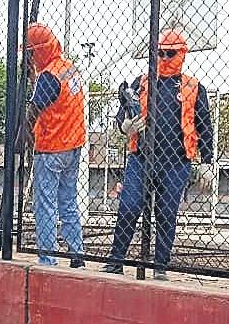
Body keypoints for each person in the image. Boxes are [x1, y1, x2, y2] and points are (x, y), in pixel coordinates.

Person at [101, 29, 214, 280]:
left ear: (181, 53)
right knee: (129, 207)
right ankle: (115, 261)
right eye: (160, 53)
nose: (164, 58)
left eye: (169, 53)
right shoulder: (141, 82)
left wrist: (207, 162)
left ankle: (160, 265)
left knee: (166, 214)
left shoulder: (194, 87)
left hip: (176, 162)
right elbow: (122, 115)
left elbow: (204, 126)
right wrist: (125, 126)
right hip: (141, 158)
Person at [21, 23, 86, 268]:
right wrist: (33, 76)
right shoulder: (68, 68)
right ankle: (77, 255)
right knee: (68, 202)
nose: (29, 58)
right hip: (73, 145)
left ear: (38, 51)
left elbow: (36, 107)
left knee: (45, 205)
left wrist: (25, 134)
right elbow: (50, 96)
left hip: (51, 147)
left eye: (30, 53)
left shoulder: (48, 76)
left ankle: (48, 258)